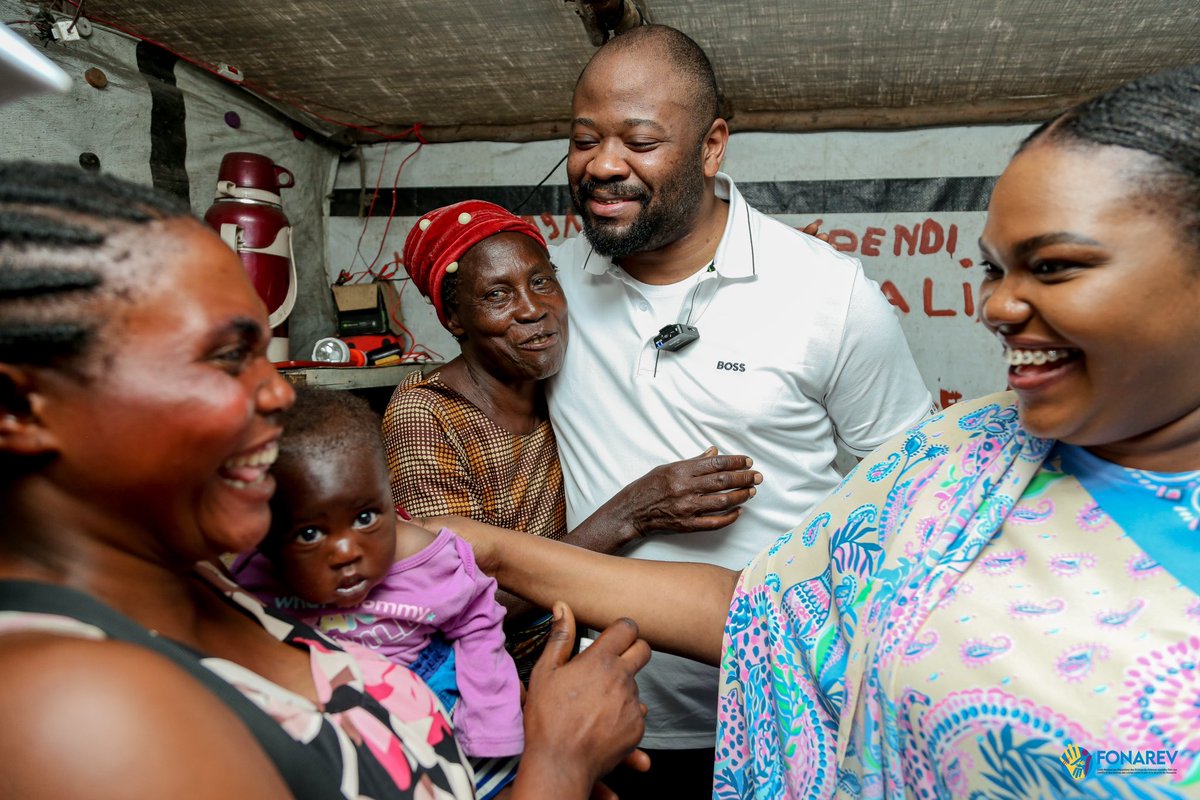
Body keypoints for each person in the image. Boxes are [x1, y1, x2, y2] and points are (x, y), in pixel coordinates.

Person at [430, 64, 1200, 798]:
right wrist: (493, 548)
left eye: (1057, 266)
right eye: (994, 270)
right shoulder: (965, 451)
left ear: (711, 143)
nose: (997, 308)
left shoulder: (826, 295)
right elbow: (772, 610)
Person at [0, 160, 650, 800]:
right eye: (228, 357)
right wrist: (559, 766)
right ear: (21, 408)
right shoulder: (72, 710)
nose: (281, 393)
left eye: (264, 353)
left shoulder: (228, 587)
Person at [546, 23, 932, 791]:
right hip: (606, 721)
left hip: (789, 713)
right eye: (584, 138)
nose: (603, 165)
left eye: (639, 140)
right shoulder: (547, 287)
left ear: (713, 145)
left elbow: (917, 493)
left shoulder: (827, 295)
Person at [385, 198, 763, 680]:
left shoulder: (553, 372)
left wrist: (773, 280)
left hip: (590, 669)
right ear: (454, 319)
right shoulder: (427, 415)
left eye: (542, 282)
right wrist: (632, 515)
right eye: (498, 296)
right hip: (500, 697)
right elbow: (465, 607)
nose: (532, 310)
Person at [233, 386, 523, 799]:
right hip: (327, 714)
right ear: (265, 538)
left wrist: (491, 723)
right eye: (310, 534)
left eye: (366, 517)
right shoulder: (253, 580)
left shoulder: (427, 560)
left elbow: (479, 623)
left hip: (433, 697)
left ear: (391, 497)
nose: (347, 551)